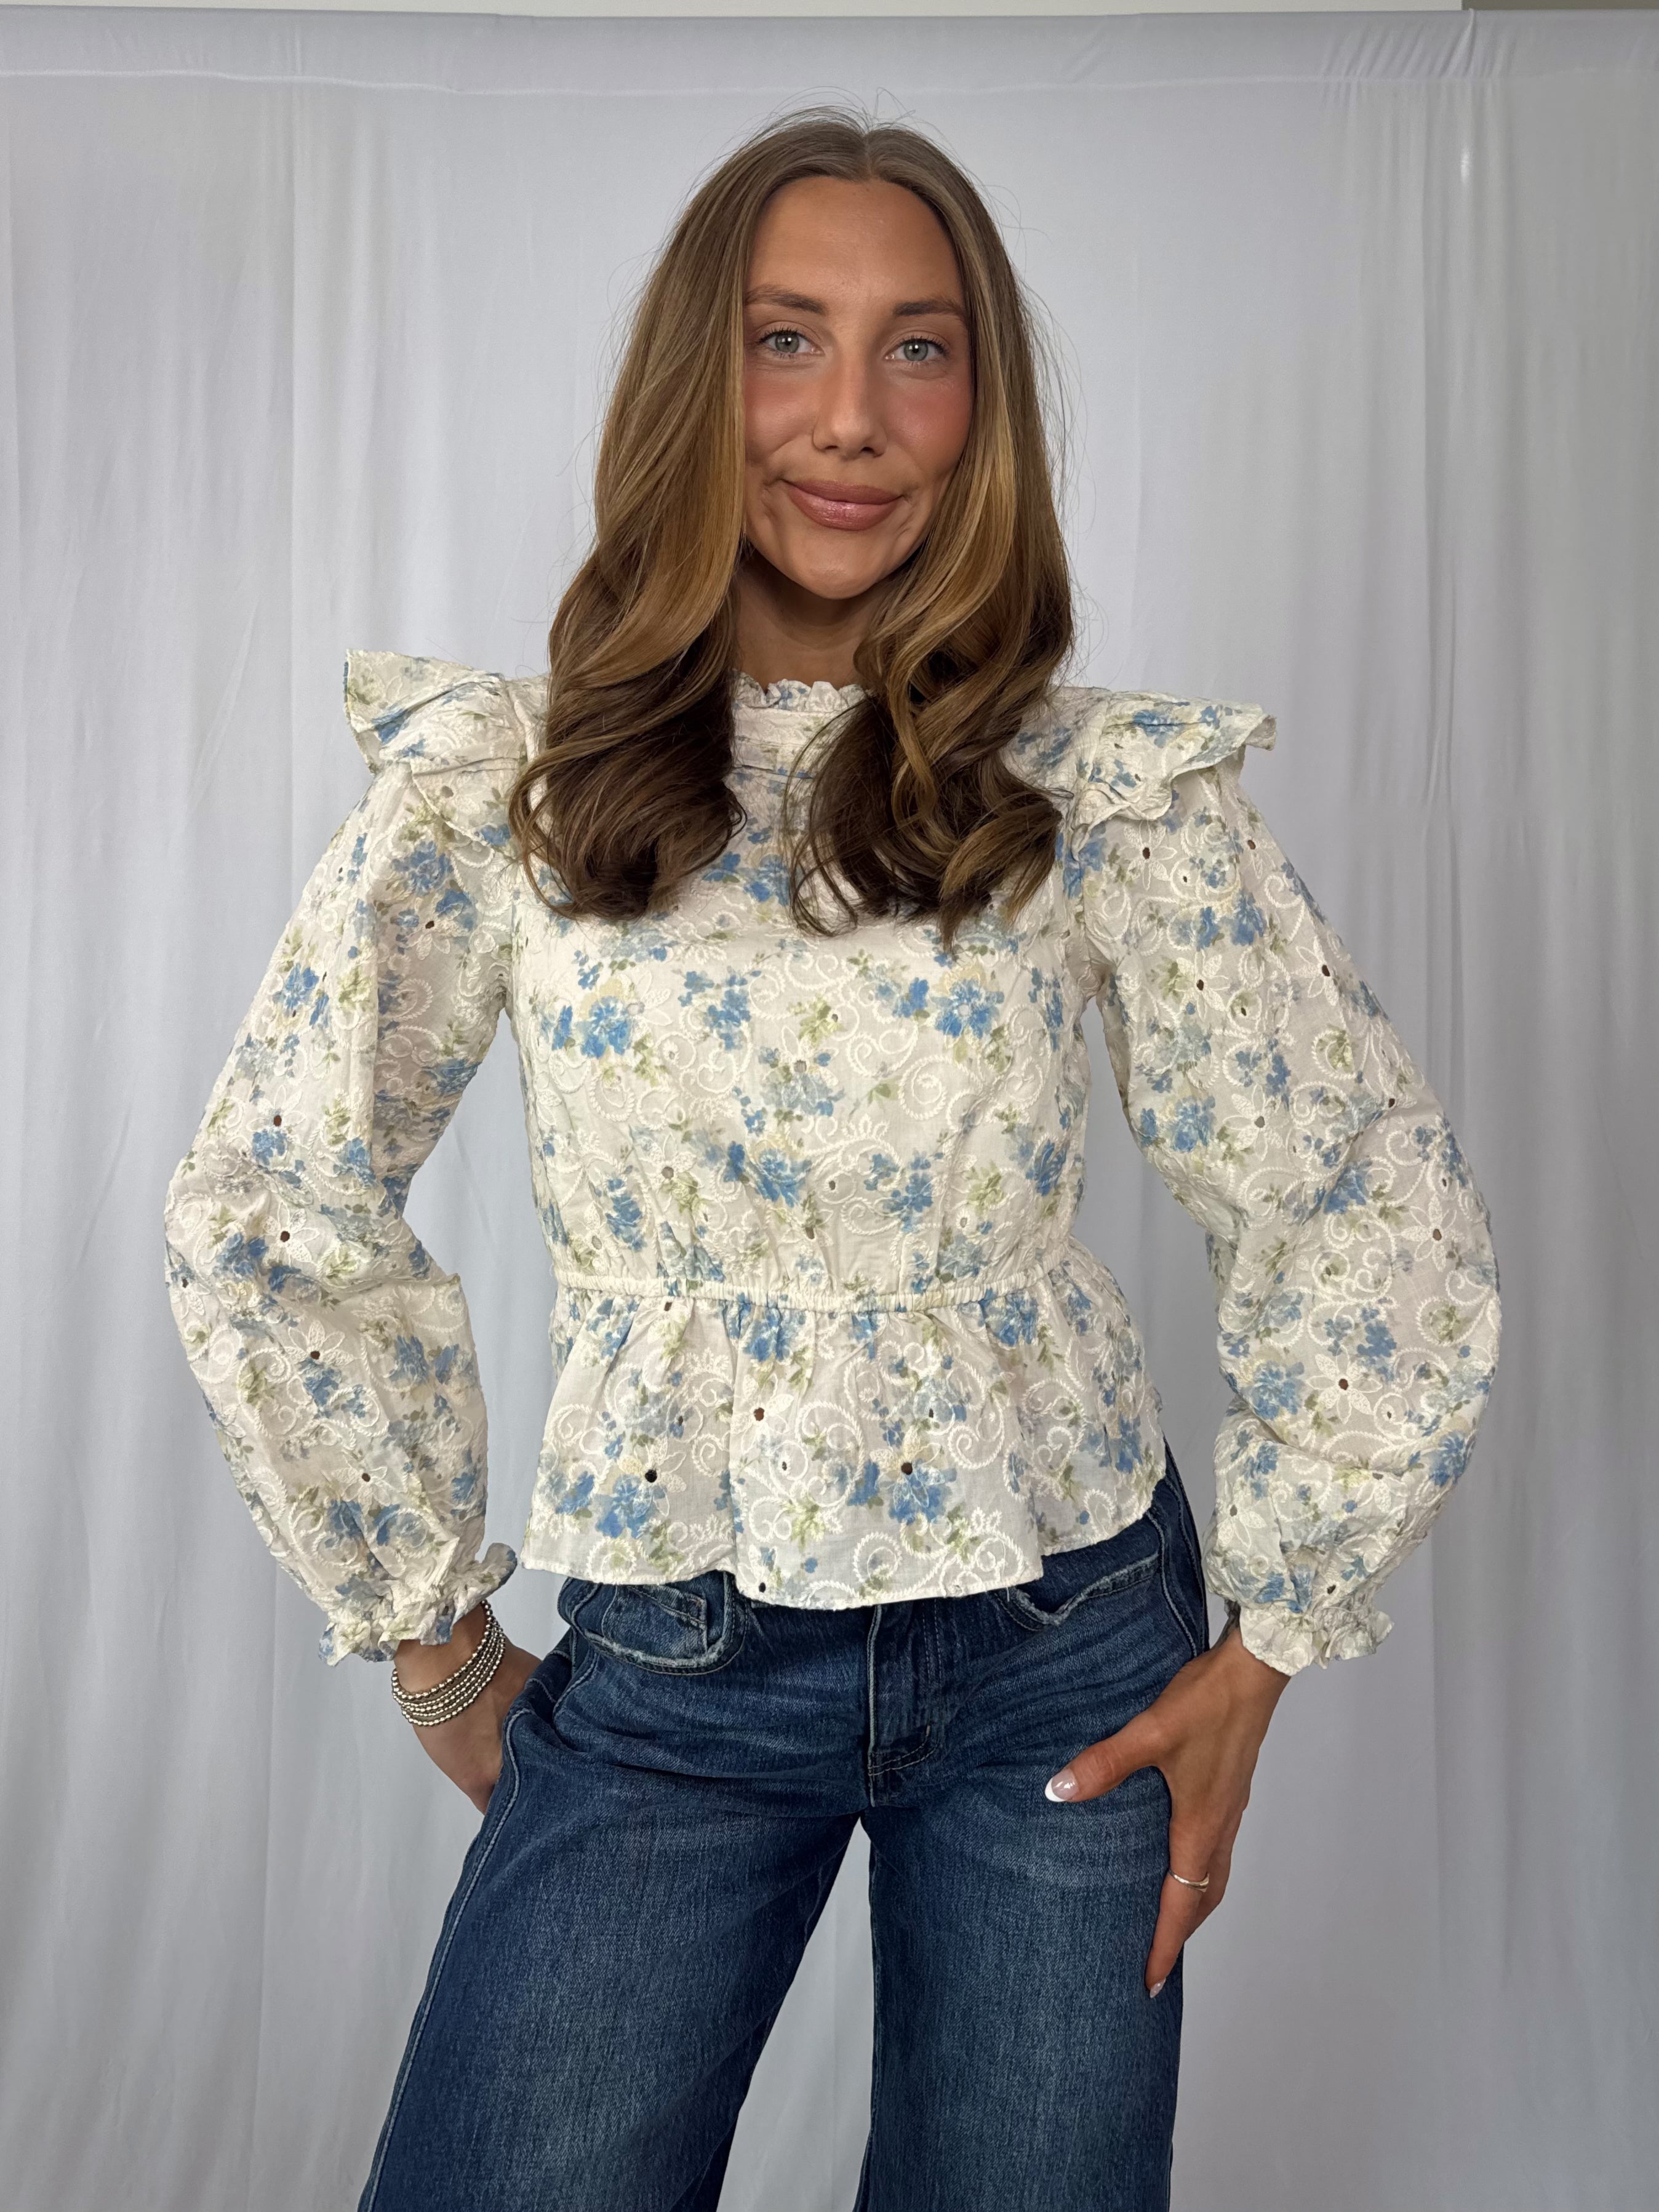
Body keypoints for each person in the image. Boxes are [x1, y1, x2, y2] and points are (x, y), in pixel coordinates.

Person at [163, 110, 1500, 2212]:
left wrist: (1270, 1646)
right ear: (704, 378)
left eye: (921, 349)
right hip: (672, 1659)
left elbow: (1358, 1193)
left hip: (1069, 1643)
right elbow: (268, 1203)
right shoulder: (506, 789)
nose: (853, 421)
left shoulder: (1104, 796)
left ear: (985, 410)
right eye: (790, 341)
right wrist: (430, 1625)